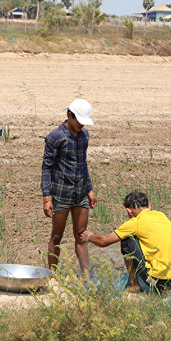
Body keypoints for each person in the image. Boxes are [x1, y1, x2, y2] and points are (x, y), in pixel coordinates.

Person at [82, 192, 171, 293]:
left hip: (158, 281)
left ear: (129, 211)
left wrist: (90, 237)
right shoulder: (162, 216)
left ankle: (134, 285)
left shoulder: (135, 222)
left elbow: (104, 241)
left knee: (127, 240)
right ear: (149, 206)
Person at [41, 99, 97, 273]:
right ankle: (53, 277)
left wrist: (90, 189)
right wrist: (46, 197)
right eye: (79, 120)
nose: (81, 125)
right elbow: (46, 168)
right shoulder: (55, 137)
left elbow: (83, 164)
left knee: (81, 236)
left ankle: (86, 278)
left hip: (80, 193)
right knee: (57, 236)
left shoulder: (85, 136)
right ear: (69, 115)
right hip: (61, 194)